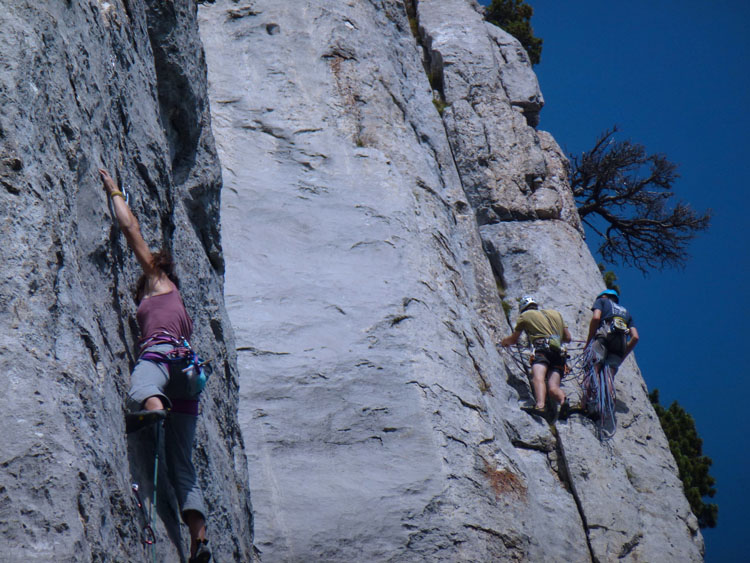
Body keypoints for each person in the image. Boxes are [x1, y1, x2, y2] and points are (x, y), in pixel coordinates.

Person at [100, 169, 211, 563]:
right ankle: (200, 539)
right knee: (183, 464)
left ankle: (154, 411)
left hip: (164, 360)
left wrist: (114, 191)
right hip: (190, 376)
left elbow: (130, 230)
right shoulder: (179, 305)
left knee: (142, 384)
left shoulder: (159, 278)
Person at [501, 296, 572, 419]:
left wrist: (504, 342)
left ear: (523, 308)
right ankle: (563, 401)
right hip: (559, 354)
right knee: (553, 387)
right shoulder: (556, 314)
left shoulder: (525, 315)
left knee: (538, 377)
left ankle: (540, 406)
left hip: (542, 350)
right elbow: (568, 338)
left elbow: (514, 339)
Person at [584, 288, 639, 375]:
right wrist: (622, 356)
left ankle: (591, 387)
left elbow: (596, 318)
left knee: (593, 368)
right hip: (620, 344)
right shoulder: (627, 313)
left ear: (604, 296)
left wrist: (589, 341)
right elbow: (635, 337)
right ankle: (608, 388)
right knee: (610, 374)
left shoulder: (602, 301)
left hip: (604, 336)